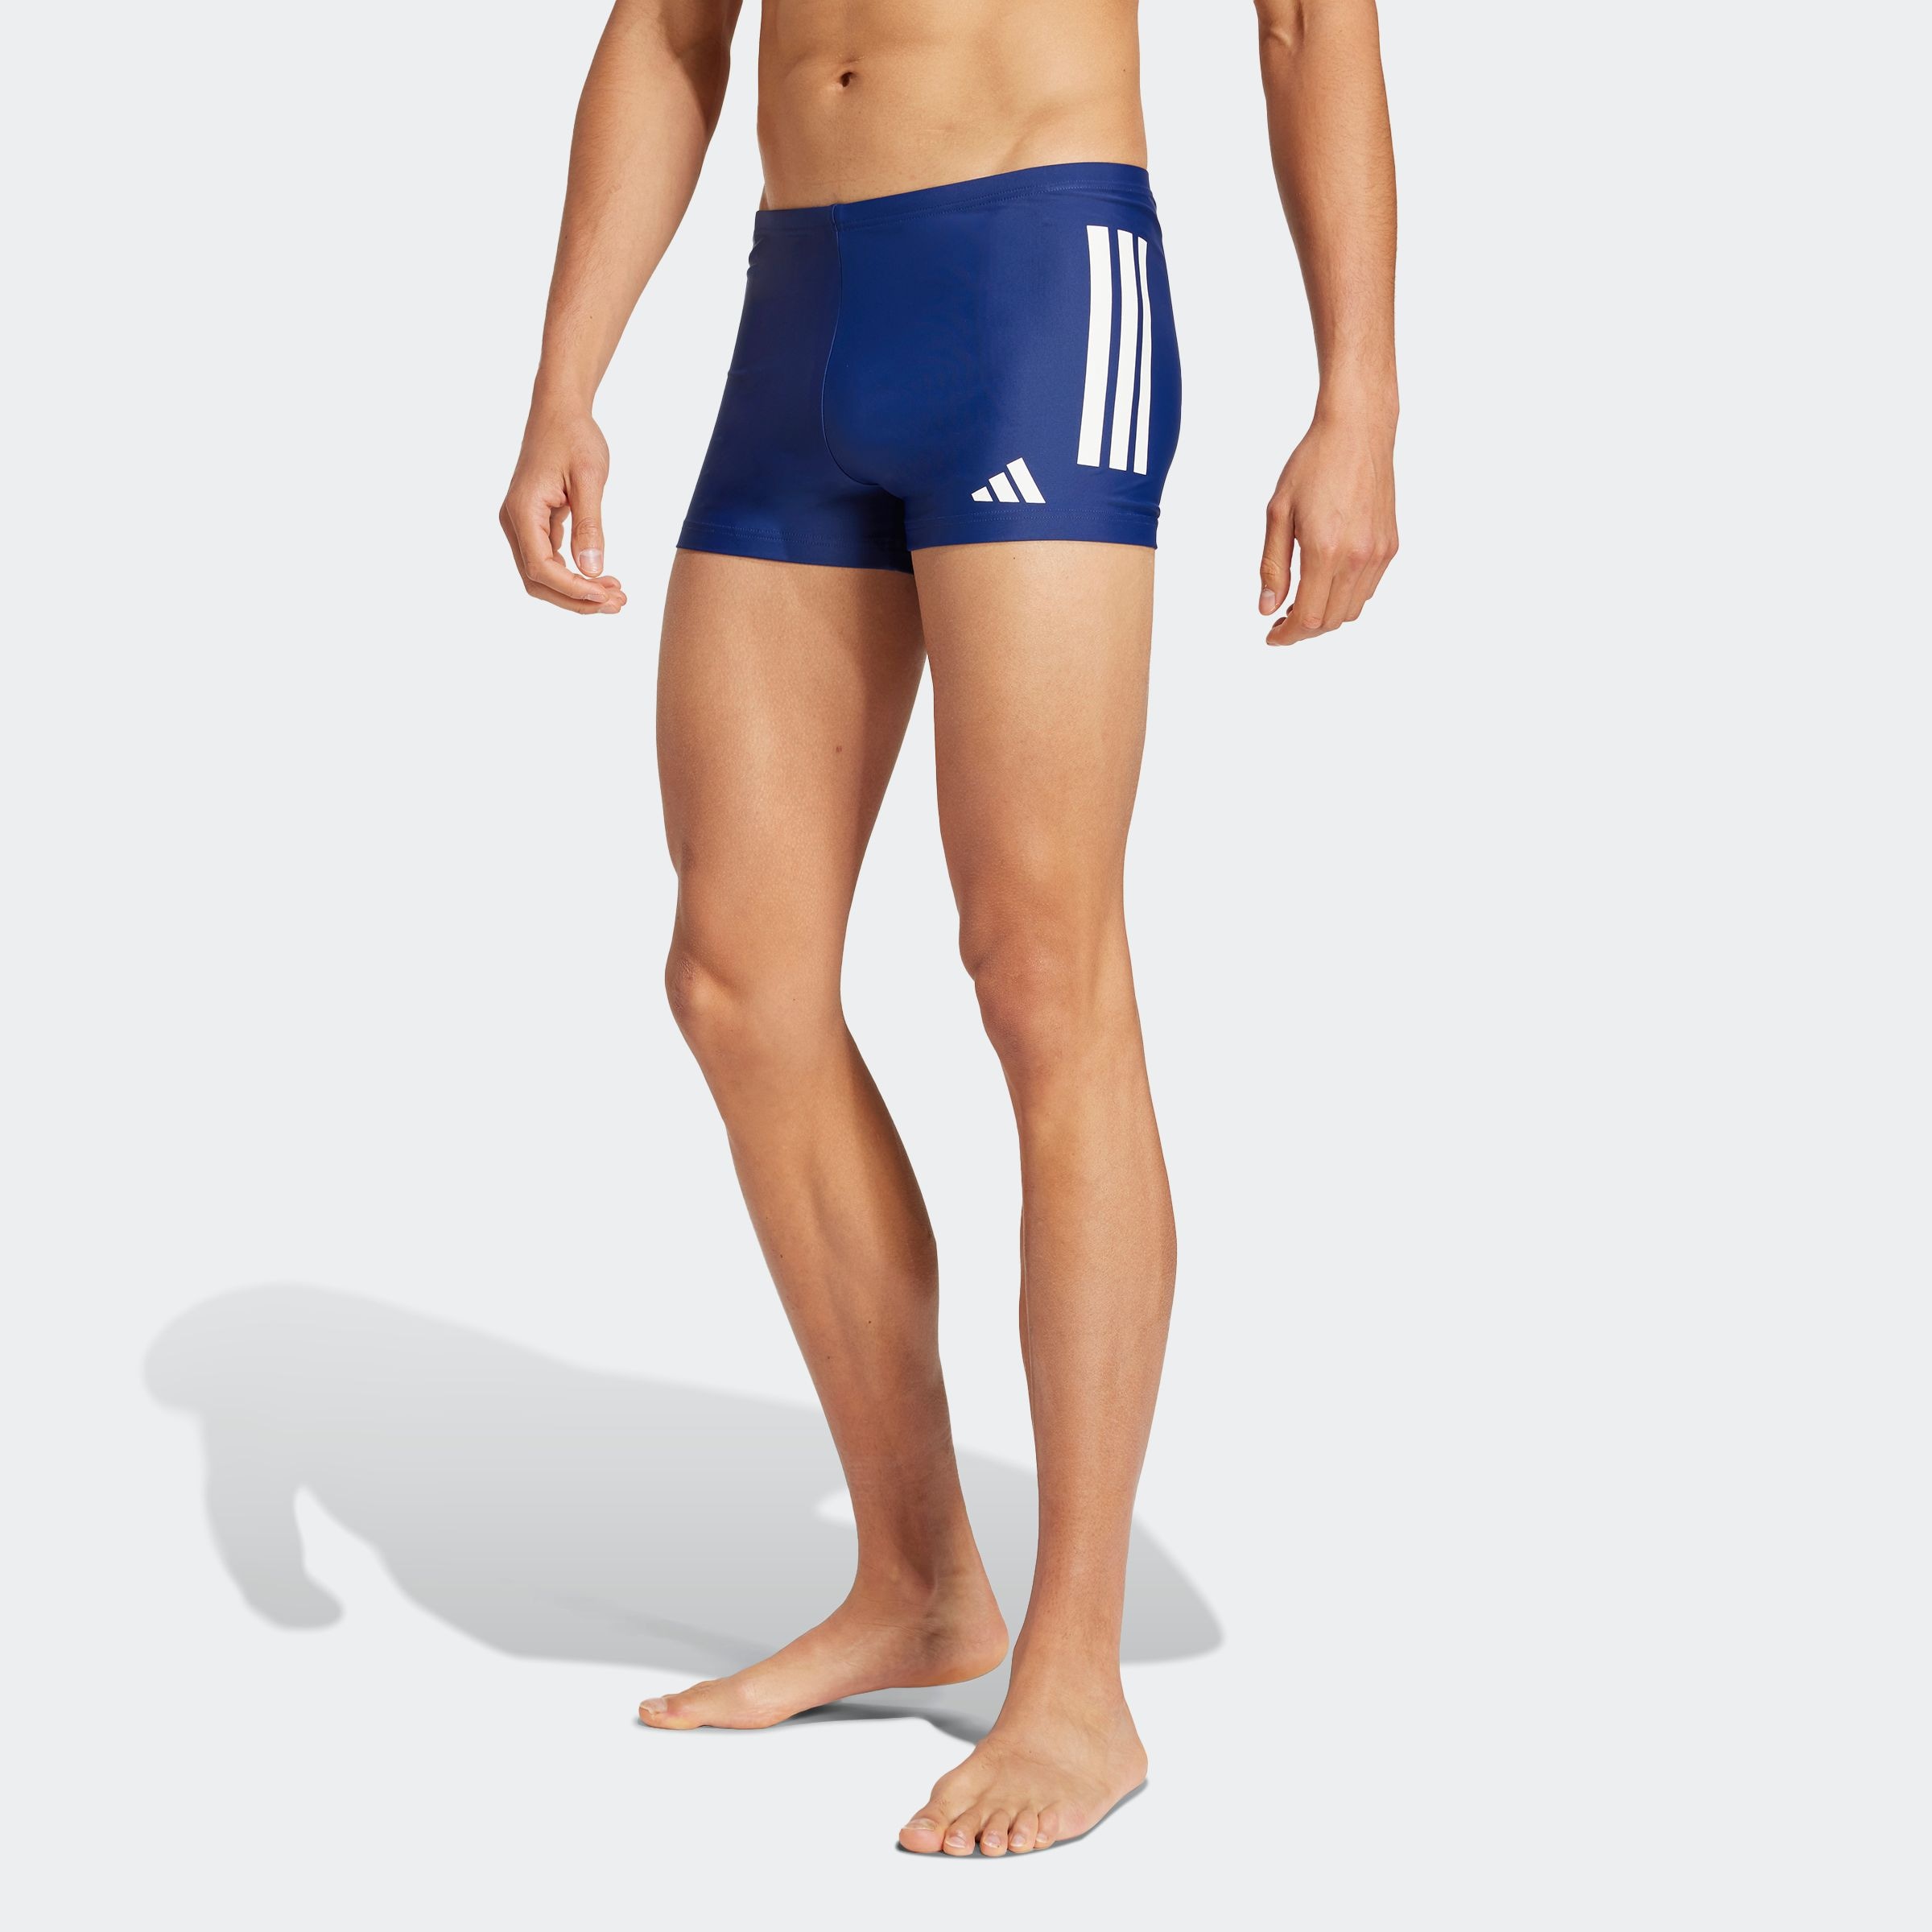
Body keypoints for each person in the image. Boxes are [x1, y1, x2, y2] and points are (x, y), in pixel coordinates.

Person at [498, 0, 1397, 1857]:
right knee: (737, 982)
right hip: (798, 310)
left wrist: (1359, 395)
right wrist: (567, 379)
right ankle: (915, 1580)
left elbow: (1313, 24)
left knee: (1041, 972)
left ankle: (1079, 1678)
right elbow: (668, 30)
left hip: (1036, 287)